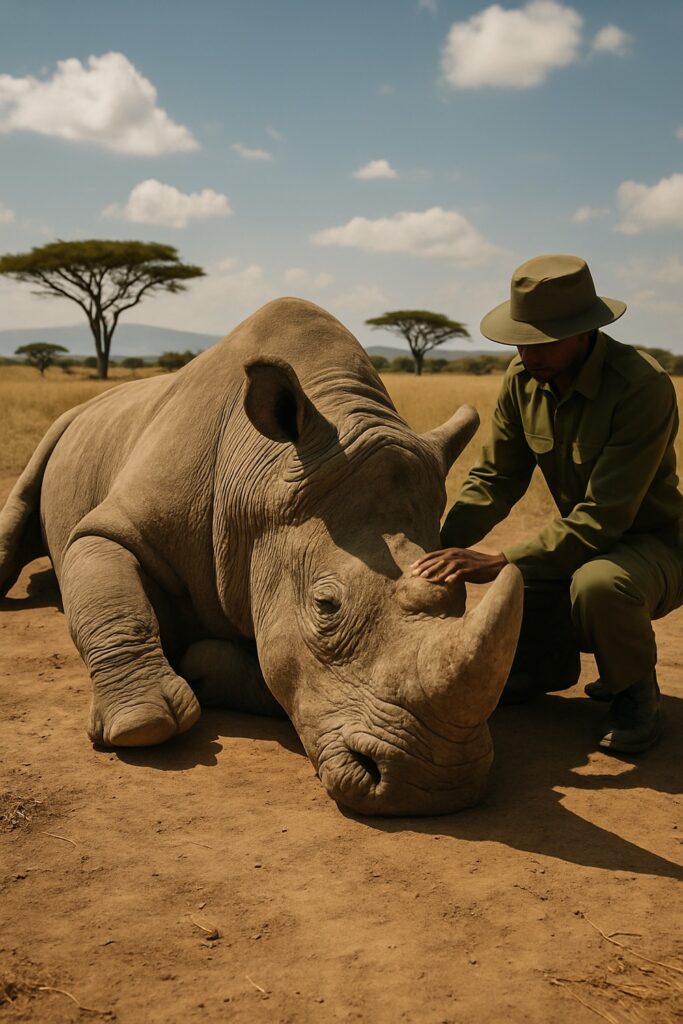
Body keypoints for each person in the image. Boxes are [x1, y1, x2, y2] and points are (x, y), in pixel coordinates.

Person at [412, 253, 683, 754]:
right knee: (519, 582)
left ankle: (635, 695)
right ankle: (546, 666)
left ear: (585, 332)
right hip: (585, 539)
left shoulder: (641, 388)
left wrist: (497, 559)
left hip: (654, 546)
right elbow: (495, 479)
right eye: (522, 338)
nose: (528, 353)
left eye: (544, 341)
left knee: (598, 584)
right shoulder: (523, 380)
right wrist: (433, 544)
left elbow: (604, 518)